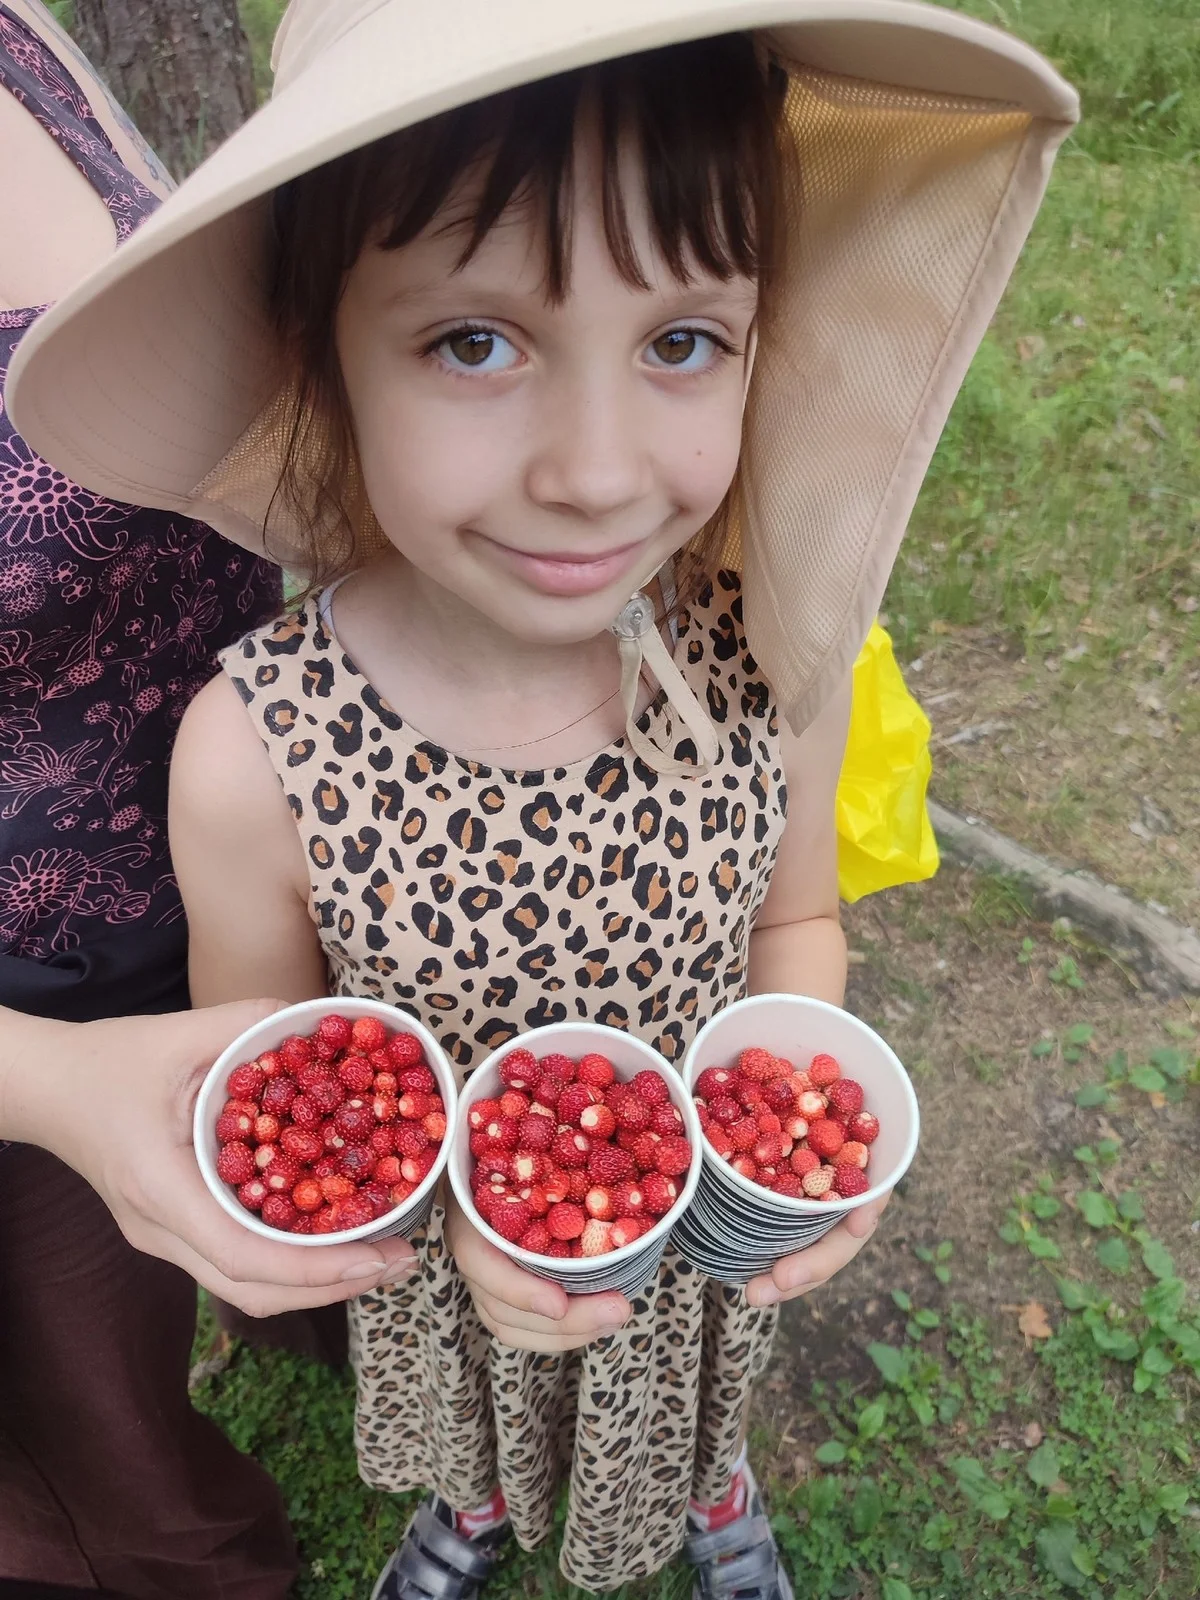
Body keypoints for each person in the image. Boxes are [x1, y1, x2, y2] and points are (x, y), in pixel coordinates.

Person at [7, 0, 1078, 1595]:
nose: (593, 468)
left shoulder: (776, 658)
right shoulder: (254, 757)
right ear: (326, 361)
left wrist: (792, 1120)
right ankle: (482, 1501)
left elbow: (796, 918)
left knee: (683, 1390)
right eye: (475, 340)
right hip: (452, 1268)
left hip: (698, 1223)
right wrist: (443, 1223)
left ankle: (712, 1492)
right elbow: (286, 1077)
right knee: (487, 1410)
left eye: (681, 340)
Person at [0, 5, 416, 1597]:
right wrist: (55, 1092)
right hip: (31, 1032)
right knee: (114, 1502)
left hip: (218, 869)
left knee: (276, 1244)